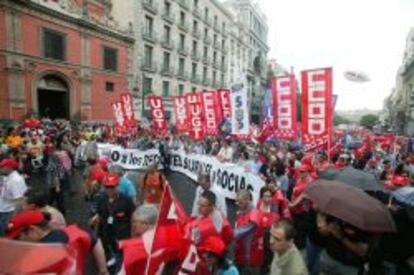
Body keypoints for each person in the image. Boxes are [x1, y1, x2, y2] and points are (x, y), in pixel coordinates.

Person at [6, 210, 109, 275]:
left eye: (17, 237)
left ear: (33, 230)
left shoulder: (30, 262)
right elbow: (95, 241)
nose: (17, 242)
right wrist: (103, 270)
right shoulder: (74, 233)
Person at [90, 173, 135, 267]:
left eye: (112, 187)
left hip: (122, 234)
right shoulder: (101, 198)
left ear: (117, 186)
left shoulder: (126, 200)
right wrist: (95, 221)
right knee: (110, 249)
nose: (109, 189)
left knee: (122, 256)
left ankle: (121, 264)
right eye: (107, 187)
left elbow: (133, 216)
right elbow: (99, 213)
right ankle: (113, 258)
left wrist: (133, 235)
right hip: (106, 233)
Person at [234, 190, 263, 275]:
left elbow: (241, 232)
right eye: (237, 202)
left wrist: (229, 234)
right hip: (240, 252)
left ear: (247, 200)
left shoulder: (254, 213)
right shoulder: (241, 211)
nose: (238, 205)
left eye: (240, 202)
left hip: (250, 255)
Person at [0, 158, 27, 236]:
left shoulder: (15, 180)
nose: (0, 169)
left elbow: (20, 200)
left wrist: (13, 217)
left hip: (9, 212)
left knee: (4, 234)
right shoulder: (8, 177)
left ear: (9, 168)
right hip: (4, 209)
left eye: (2, 167)